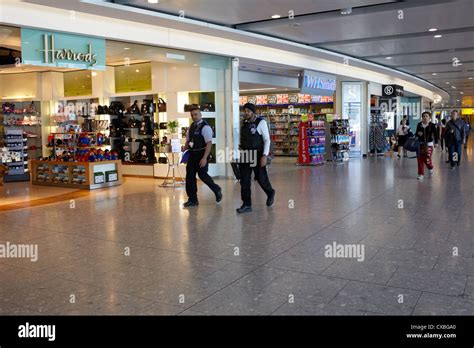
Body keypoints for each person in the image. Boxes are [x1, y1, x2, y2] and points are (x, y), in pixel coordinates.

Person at [237, 103, 275, 214]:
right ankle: (246, 204)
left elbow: (267, 140)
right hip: (245, 154)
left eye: (248, 111)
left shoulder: (261, 122)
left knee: (260, 178)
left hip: (257, 154)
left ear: (253, 112)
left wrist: (264, 155)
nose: (246, 113)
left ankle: (270, 192)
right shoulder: (243, 123)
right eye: (245, 111)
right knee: (244, 180)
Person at [182, 105, 222, 207]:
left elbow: (209, 143)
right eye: (192, 115)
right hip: (192, 154)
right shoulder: (191, 126)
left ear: (200, 114)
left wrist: (204, 158)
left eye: (196, 114)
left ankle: (216, 189)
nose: (194, 116)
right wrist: (185, 147)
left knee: (202, 175)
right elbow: (188, 140)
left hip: (201, 154)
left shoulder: (205, 127)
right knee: (190, 177)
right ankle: (192, 199)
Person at [415, 111, 438, 180]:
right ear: (422, 118)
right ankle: (421, 174)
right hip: (420, 144)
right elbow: (416, 133)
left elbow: (436, 135)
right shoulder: (419, 124)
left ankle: (430, 167)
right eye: (424, 116)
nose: (425, 117)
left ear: (429, 117)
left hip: (429, 145)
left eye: (426, 116)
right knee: (420, 159)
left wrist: (436, 142)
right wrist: (418, 134)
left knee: (427, 158)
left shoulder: (432, 125)